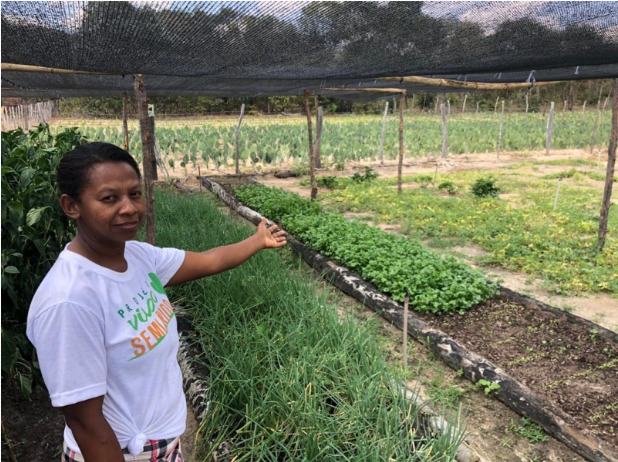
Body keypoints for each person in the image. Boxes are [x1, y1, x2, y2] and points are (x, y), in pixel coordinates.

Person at [26, 142, 287, 462]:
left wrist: (257, 240)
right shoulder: (70, 301)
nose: (129, 208)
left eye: (134, 194)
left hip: (163, 444)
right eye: (109, 198)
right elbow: (86, 423)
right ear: (71, 206)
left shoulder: (136, 256)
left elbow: (208, 261)